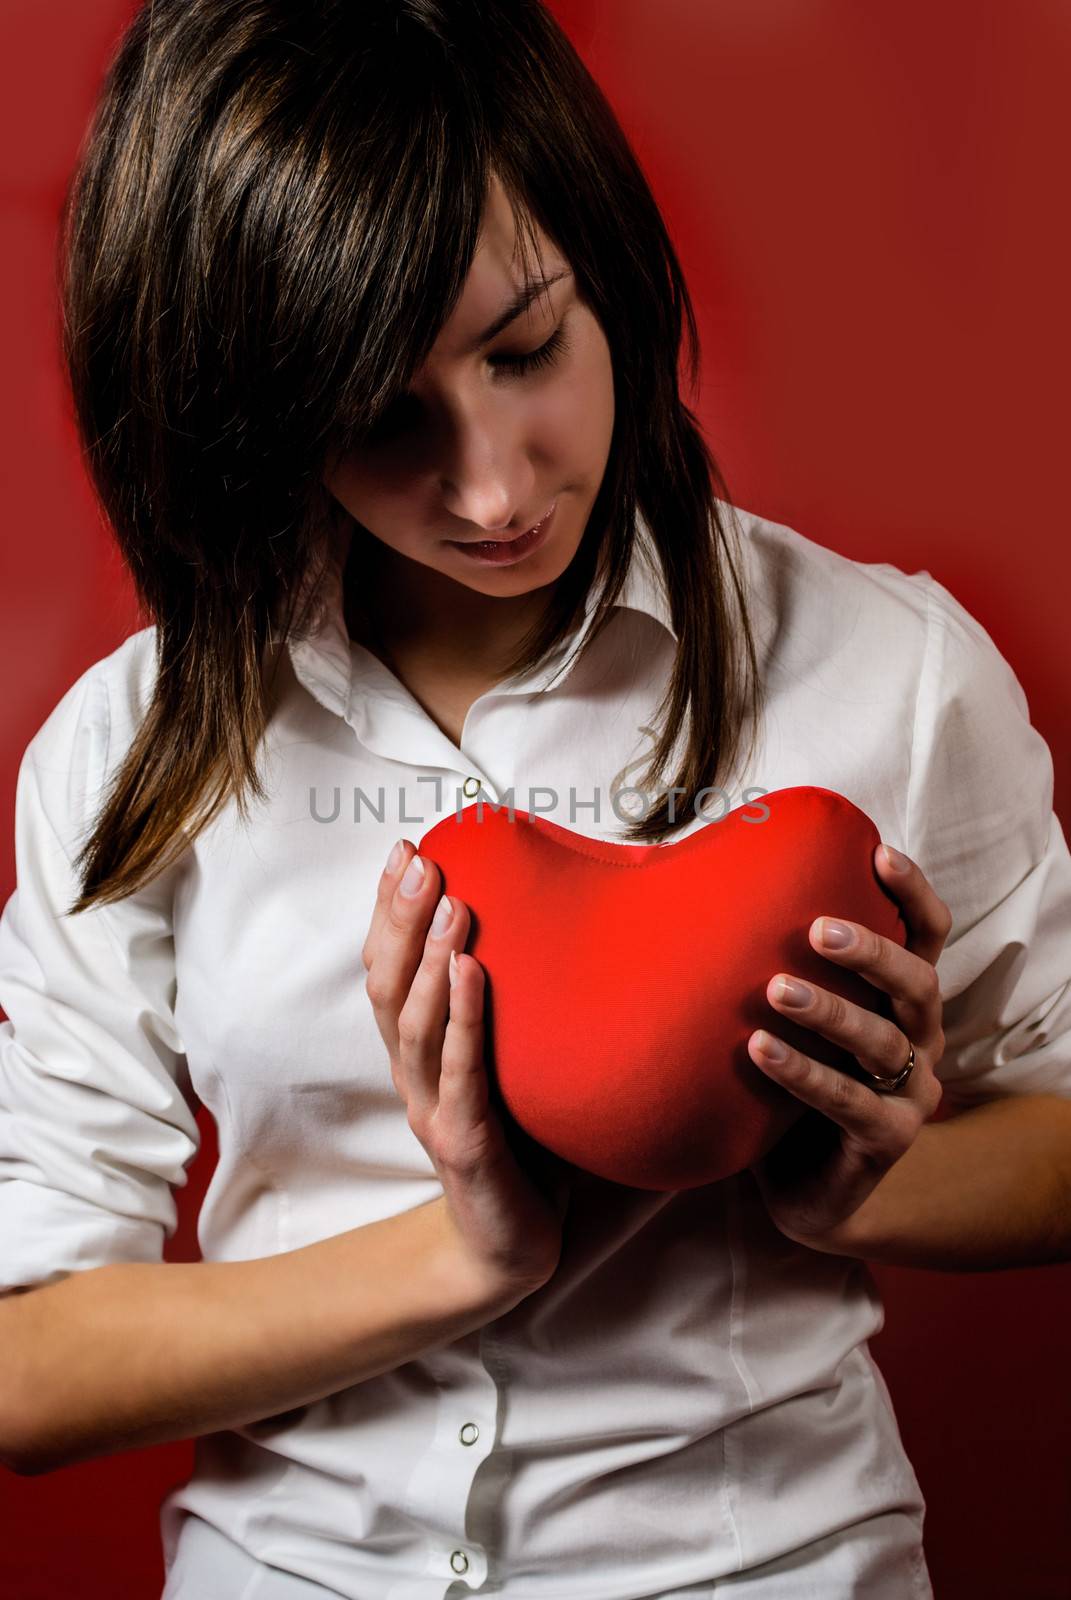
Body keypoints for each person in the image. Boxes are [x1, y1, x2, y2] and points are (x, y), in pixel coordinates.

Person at [2, 2, 1070, 1597]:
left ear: (606, 267)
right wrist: (469, 1253)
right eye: (380, 419)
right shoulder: (132, 751)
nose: (496, 486)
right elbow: (29, 1364)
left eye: (525, 349)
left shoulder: (886, 671)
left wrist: (858, 1175)